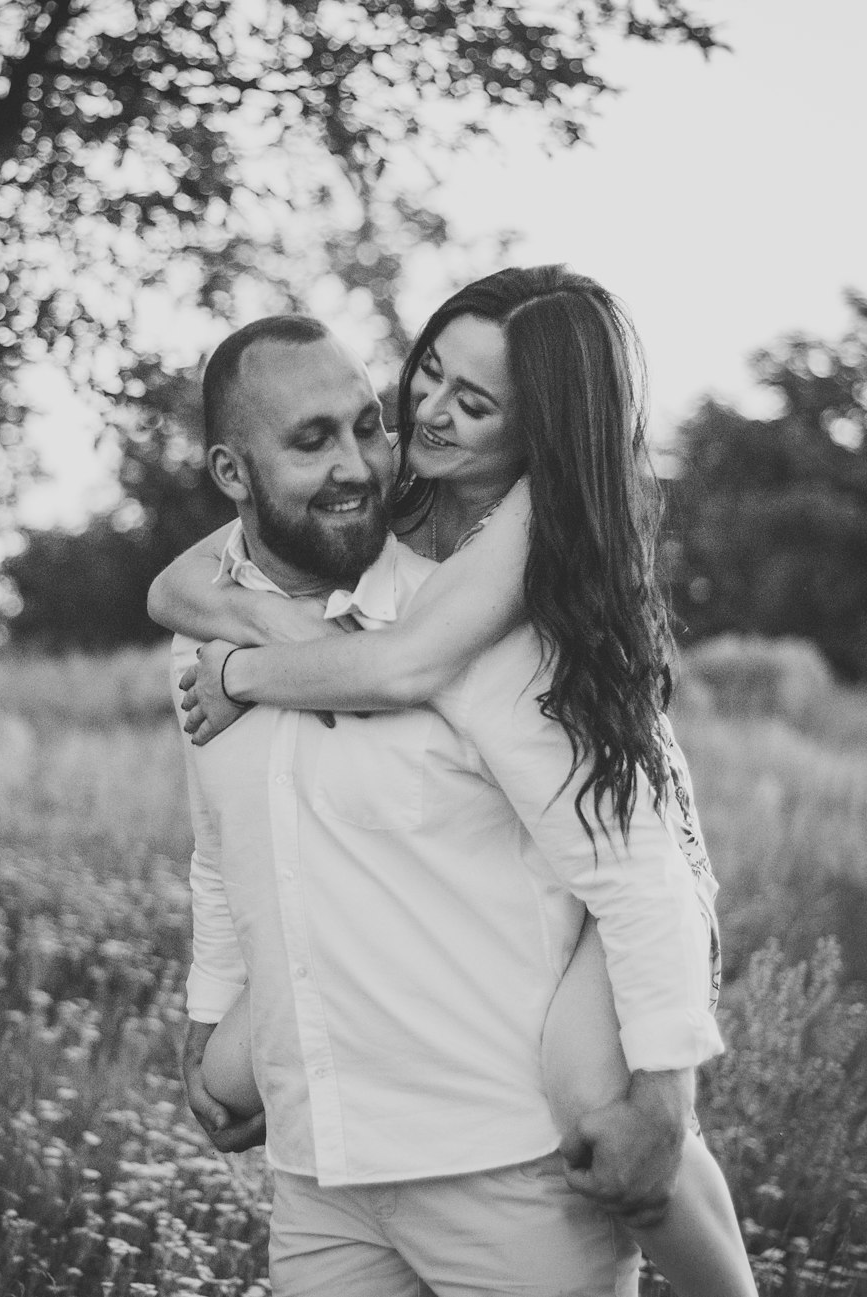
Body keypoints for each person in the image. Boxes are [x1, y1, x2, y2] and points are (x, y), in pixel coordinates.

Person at [152, 269, 757, 1297]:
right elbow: (230, 849)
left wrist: (662, 1098)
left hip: (500, 1171)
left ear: (532, 436)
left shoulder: (488, 609)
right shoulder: (213, 614)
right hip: (321, 1168)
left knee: (596, 1092)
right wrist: (216, 1014)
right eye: (422, 382)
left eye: (469, 405)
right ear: (233, 471)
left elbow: (636, 865)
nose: (401, 432)